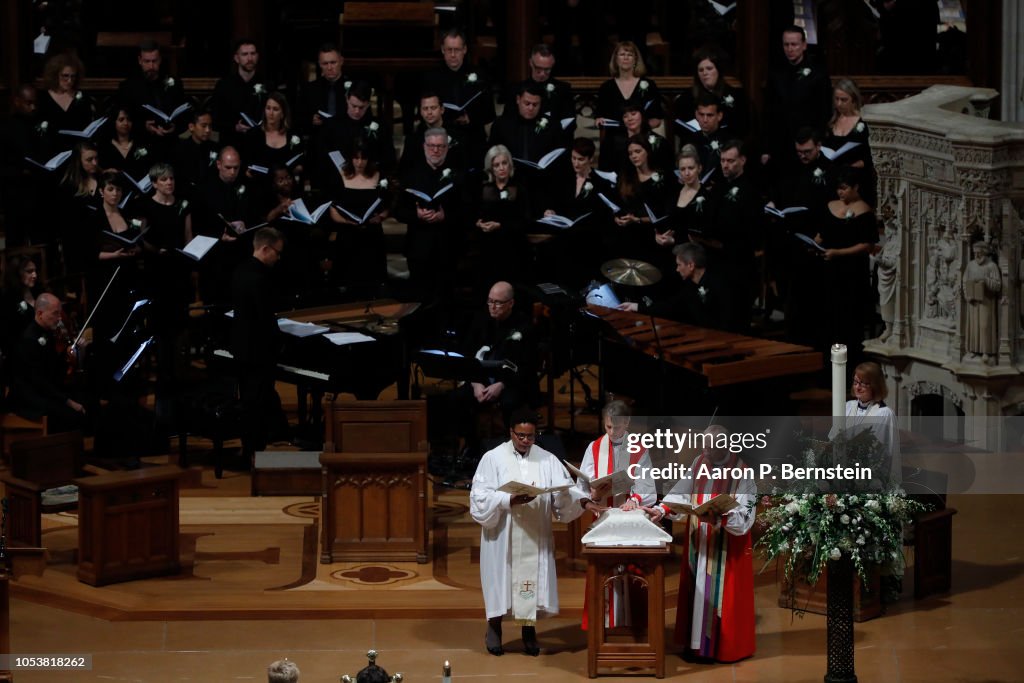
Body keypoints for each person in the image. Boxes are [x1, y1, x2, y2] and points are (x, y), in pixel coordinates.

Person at [470, 408, 585, 656]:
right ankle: (494, 626)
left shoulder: (547, 459)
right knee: (501, 580)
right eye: (520, 435)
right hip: (503, 534)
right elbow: (479, 498)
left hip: (534, 532)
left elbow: (563, 496)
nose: (525, 441)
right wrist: (506, 500)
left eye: (530, 436)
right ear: (510, 432)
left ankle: (528, 631)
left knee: (529, 582)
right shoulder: (493, 458)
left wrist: (571, 496)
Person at [661, 425, 756, 663]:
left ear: (723, 446)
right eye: (703, 446)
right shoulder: (699, 462)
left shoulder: (743, 472)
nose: (704, 452)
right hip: (699, 542)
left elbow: (746, 517)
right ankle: (696, 646)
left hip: (725, 548)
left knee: (722, 598)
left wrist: (721, 518)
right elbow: (681, 491)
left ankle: (722, 648)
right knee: (697, 592)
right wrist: (662, 508)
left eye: (709, 448)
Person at [574, 400, 657, 630]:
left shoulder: (639, 448)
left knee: (629, 573)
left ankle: (632, 626)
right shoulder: (594, 448)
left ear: (627, 422)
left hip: (628, 520)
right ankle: (602, 625)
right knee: (603, 573)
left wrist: (634, 499)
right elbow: (582, 485)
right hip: (602, 518)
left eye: (617, 427)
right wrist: (591, 494)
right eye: (608, 427)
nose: (612, 432)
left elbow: (646, 486)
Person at [231, 227, 289, 465]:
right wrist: (280, 343)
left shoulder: (240, 271)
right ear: (265, 249)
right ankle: (256, 454)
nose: (278, 257)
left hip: (241, 347)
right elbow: (266, 319)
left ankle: (250, 448)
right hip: (259, 350)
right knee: (257, 401)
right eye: (277, 252)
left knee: (248, 399)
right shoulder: (261, 278)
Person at [813, 167, 877, 360]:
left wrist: (839, 253)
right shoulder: (830, 205)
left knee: (847, 319)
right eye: (838, 188)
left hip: (850, 272)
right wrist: (815, 243)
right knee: (828, 317)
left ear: (856, 187)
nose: (840, 192)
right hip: (829, 269)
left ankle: (849, 362)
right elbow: (822, 233)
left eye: (844, 188)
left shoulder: (864, 211)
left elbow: (867, 244)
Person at [395, 127, 464, 299]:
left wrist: (444, 216)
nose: (435, 150)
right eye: (432, 146)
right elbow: (398, 211)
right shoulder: (411, 175)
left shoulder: (458, 176)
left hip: (446, 247)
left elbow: (467, 211)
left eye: (440, 146)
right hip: (418, 248)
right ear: (424, 146)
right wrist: (416, 215)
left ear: (447, 148)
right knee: (419, 298)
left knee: (445, 298)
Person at [7, 292, 89, 433]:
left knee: (88, 401)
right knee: (72, 415)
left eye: (60, 314)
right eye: (55, 314)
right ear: (40, 314)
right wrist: (68, 401)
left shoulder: (47, 333)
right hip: (30, 398)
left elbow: (54, 369)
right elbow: (39, 381)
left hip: (46, 391)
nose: (59, 319)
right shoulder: (29, 339)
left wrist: (72, 353)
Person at [421, 28, 496, 176]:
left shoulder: (479, 75)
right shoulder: (432, 77)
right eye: (449, 50)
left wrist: (471, 118)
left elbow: (489, 113)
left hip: (472, 133)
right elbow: (425, 111)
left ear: (465, 50)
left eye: (457, 50)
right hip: (444, 134)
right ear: (442, 50)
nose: (453, 55)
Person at [761, 26, 832, 171]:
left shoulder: (817, 74)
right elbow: (768, 111)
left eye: (794, 44)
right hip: (781, 143)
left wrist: (817, 142)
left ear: (804, 45)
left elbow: (824, 111)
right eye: (786, 44)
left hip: (807, 144)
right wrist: (766, 148)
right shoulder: (776, 73)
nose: (790, 49)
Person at [326, 138, 392, 293]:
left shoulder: (379, 176)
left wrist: (381, 217)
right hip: (348, 234)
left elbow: (387, 205)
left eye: (363, 158)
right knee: (346, 279)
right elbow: (333, 208)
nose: (359, 162)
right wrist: (345, 221)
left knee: (373, 280)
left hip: (372, 234)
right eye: (356, 158)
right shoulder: (340, 176)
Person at [618, 243, 725, 329]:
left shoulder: (719, 284)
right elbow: (668, 307)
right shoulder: (689, 287)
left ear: (691, 265)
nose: (677, 269)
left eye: (679, 265)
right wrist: (636, 307)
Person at [835, 361, 901, 490]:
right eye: (855, 382)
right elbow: (834, 437)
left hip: (869, 477)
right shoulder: (848, 407)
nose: (858, 388)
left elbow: (879, 452)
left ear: (876, 386)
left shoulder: (884, 414)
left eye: (864, 384)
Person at [470, 145, 529, 288]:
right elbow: (473, 215)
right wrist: (478, 224)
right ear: (491, 168)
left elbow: (525, 221)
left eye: (504, 163)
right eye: (496, 165)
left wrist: (500, 225)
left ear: (510, 164)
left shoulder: (519, 188)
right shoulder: (483, 188)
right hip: (488, 248)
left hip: (513, 248)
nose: (501, 168)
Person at [116, 40, 188, 156]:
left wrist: (175, 127)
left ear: (160, 60)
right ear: (140, 60)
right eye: (147, 61)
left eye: (154, 61)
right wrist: (143, 126)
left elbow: (185, 115)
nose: (151, 66)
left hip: (170, 143)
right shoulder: (128, 87)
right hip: (141, 144)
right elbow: (121, 120)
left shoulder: (174, 84)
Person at [674, 48, 748, 140]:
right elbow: (679, 127)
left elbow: (744, 127)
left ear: (718, 70)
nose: (705, 73)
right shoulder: (686, 98)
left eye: (709, 68)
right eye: (701, 70)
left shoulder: (737, 96)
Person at [513, 44, 575, 142]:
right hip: (524, 141)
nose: (542, 74)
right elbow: (508, 122)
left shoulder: (563, 90)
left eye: (547, 69)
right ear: (530, 63)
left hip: (553, 142)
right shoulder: (517, 89)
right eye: (538, 69)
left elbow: (570, 123)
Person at [211, 39, 266, 149]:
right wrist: (235, 127)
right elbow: (215, 119)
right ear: (236, 58)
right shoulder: (224, 85)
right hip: (231, 143)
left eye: (253, 54)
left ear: (258, 56)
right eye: (245, 54)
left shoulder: (267, 84)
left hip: (260, 142)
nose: (250, 58)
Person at [37, 52, 94, 151]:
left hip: (77, 150)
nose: (69, 80)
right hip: (50, 150)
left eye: (73, 76)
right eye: (65, 76)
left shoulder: (82, 98)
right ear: (55, 75)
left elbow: (87, 126)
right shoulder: (43, 98)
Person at [963, 241, 1002, 364]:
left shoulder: (991, 266)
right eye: (975, 253)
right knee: (974, 327)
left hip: (986, 301)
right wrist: (967, 294)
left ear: (985, 252)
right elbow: (964, 281)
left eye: (979, 253)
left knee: (984, 326)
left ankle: (986, 351)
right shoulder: (970, 265)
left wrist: (985, 280)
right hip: (973, 301)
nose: (976, 255)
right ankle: (974, 350)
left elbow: (997, 285)